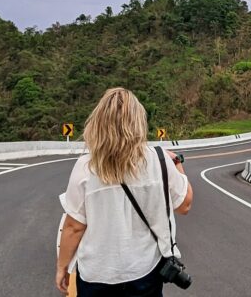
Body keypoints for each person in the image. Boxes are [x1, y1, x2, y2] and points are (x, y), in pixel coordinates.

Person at [56, 88, 194, 296]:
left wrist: (62, 267)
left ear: (98, 123)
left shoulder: (86, 167)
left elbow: (74, 227)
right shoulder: (159, 159)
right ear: (139, 122)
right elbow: (184, 205)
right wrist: (177, 165)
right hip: (145, 272)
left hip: (96, 275)